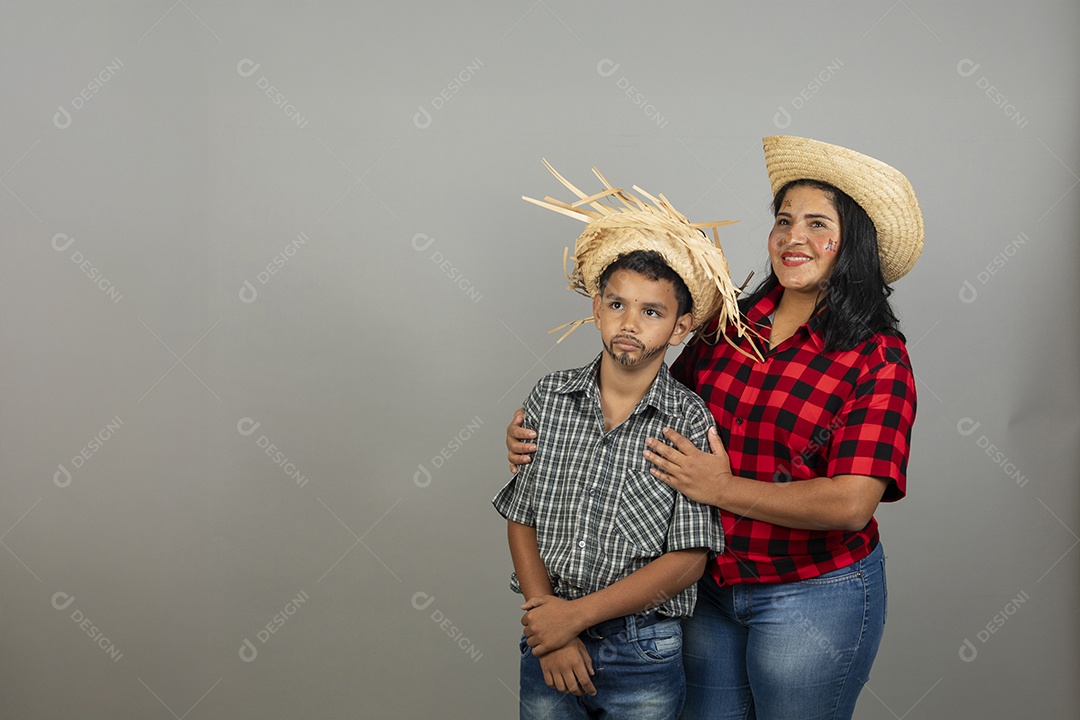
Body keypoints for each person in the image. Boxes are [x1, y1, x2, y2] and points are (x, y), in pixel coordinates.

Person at [507, 136, 923, 719]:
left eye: (816, 224)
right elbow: (646, 407)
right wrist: (543, 436)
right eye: (783, 221)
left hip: (809, 591)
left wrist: (721, 490)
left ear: (852, 242)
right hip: (707, 589)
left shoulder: (876, 357)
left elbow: (851, 503)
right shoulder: (730, 323)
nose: (792, 237)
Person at [494, 162, 747, 719]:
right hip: (549, 635)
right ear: (596, 307)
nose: (630, 322)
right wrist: (551, 625)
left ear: (680, 328)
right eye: (617, 304)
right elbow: (522, 515)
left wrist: (575, 618)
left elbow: (687, 561)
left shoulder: (688, 421)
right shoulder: (550, 398)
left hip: (643, 648)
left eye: (652, 311)